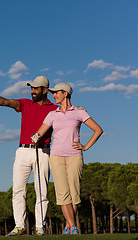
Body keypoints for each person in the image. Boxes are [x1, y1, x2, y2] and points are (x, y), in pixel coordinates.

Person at [0, 76, 58, 236]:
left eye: (36, 88)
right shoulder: (25, 104)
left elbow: (68, 116)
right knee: (18, 190)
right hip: (23, 152)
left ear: (45, 90)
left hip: (43, 152)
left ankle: (40, 227)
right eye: (31, 88)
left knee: (42, 192)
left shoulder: (54, 109)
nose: (32, 91)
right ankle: (20, 226)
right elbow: (4, 102)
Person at [31, 82, 103, 235]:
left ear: (65, 93)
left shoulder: (79, 112)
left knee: (74, 193)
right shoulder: (52, 114)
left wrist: (85, 146)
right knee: (62, 193)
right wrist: (34, 137)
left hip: (75, 157)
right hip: (56, 157)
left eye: (56, 92)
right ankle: (71, 226)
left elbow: (98, 130)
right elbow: (40, 132)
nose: (53, 95)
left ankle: (69, 226)